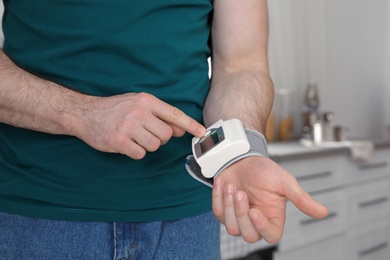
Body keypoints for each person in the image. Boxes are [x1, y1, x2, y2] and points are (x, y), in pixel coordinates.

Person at [0, 0, 328, 259]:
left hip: (187, 220)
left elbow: (241, 65)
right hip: (40, 213)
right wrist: (83, 114)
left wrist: (242, 151)